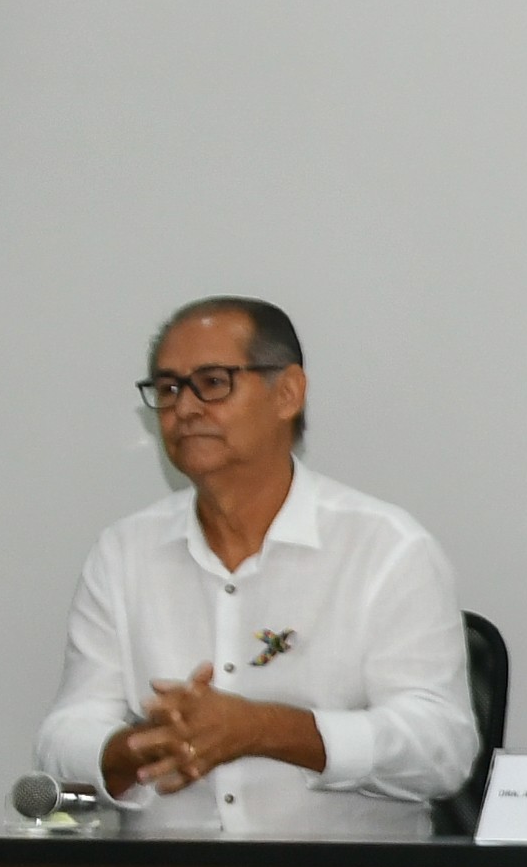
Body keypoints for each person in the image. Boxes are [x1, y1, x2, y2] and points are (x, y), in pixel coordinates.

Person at [33, 296, 477, 839]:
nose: (185, 408)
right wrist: (145, 745)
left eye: (212, 383)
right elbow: (63, 738)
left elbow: (440, 748)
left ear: (287, 392)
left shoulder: (387, 548)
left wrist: (266, 729)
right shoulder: (124, 552)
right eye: (168, 389)